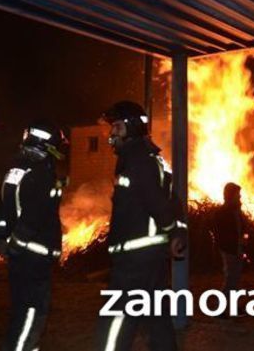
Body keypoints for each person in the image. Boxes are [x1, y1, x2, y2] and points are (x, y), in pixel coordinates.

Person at [95, 101, 187, 351]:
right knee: (157, 321)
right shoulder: (149, 158)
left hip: (135, 261)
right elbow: (172, 200)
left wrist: (172, 230)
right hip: (151, 259)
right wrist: (176, 232)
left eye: (116, 126)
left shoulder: (137, 159)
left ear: (132, 128)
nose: (112, 133)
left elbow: (156, 201)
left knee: (116, 320)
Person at [0, 120, 67, 351]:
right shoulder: (41, 173)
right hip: (34, 258)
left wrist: (5, 243)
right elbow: (33, 215)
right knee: (31, 314)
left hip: (21, 258)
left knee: (20, 312)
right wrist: (16, 245)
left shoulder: (15, 170)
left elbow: (3, 210)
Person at [212, 182, 245, 309]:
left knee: (235, 278)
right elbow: (221, 233)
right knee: (231, 278)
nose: (240, 197)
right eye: (238, 195)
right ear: (231, 195)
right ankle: (221, 308)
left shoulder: (234, 211)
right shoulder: (222, 213)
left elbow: (241, 227)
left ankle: (233, 305)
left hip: (236, 247)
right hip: (229, 249)